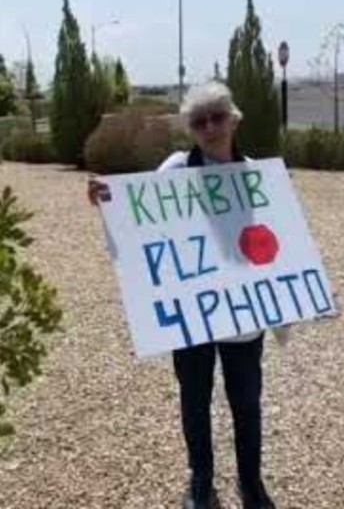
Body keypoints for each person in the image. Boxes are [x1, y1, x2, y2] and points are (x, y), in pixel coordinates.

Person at [88, 81, 277, 509]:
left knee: (246, 402)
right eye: (199, 121)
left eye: (217, 117)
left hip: (243, 315)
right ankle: (201, 481)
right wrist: (109, 200)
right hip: (192, 314)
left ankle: (252, 483)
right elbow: (142, 218)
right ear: (191, 128)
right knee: (195, 401)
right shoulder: (175, 170)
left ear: (234, 119)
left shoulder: (255, 175)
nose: (210, 127)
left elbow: (276, 243)